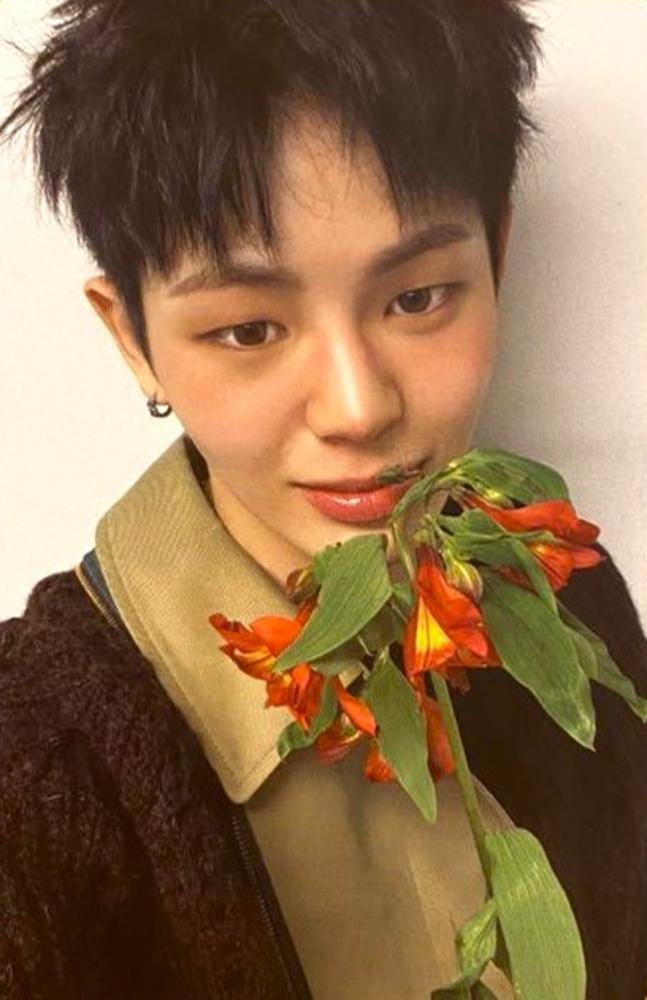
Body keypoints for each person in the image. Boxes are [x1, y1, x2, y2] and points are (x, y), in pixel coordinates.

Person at [0, 1, 645, 998]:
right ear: (132, 338)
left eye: (417, 298)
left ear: (496, 259)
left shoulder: (569, 591)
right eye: (248, 330)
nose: (358, 408)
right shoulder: (35, 773)